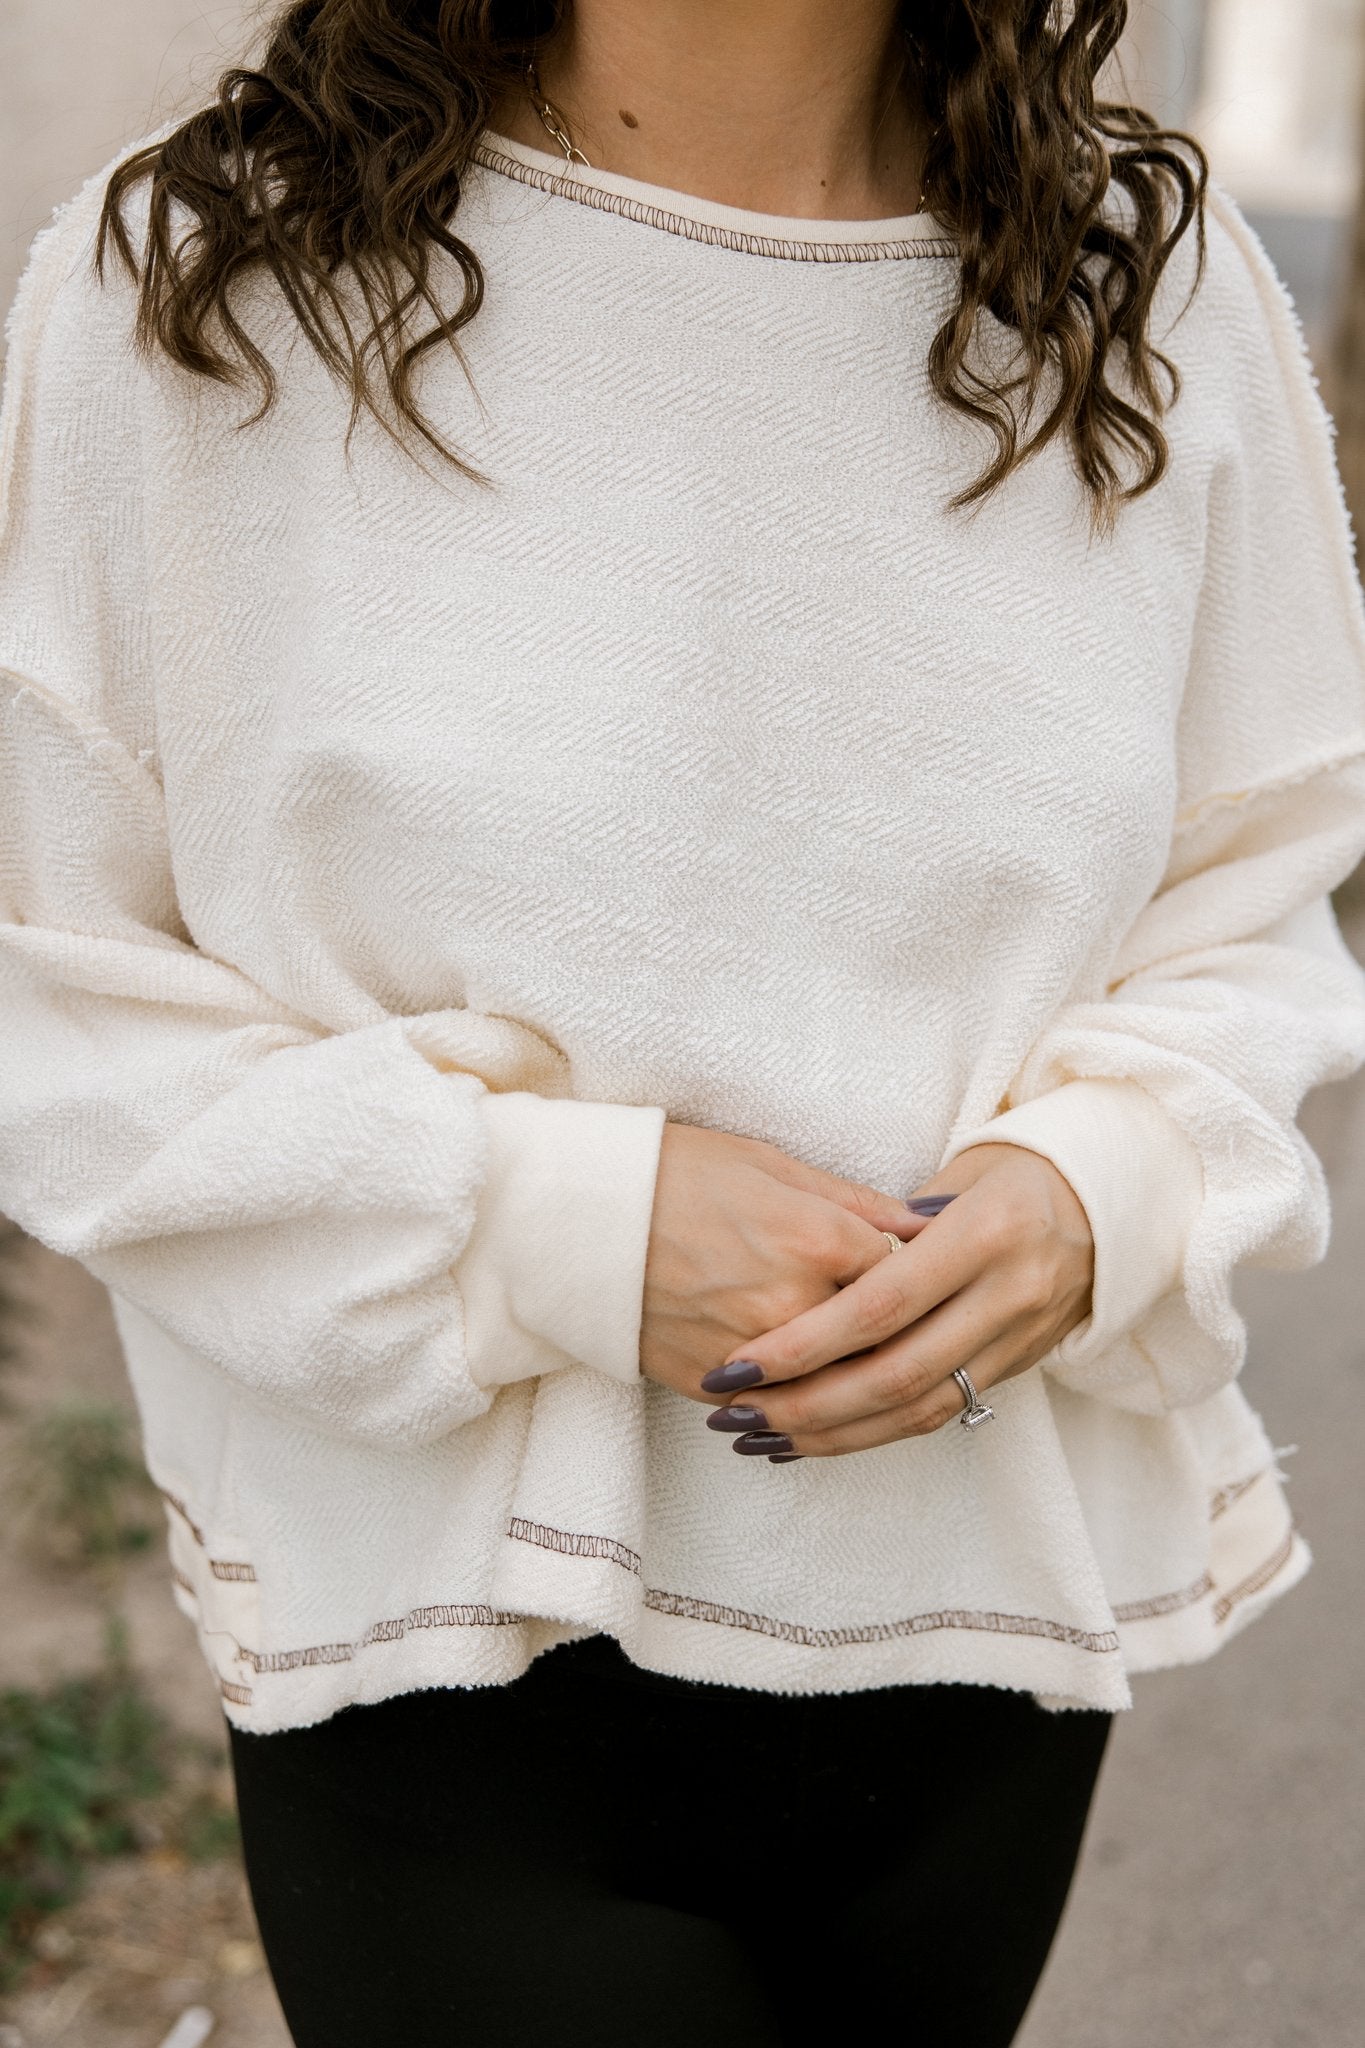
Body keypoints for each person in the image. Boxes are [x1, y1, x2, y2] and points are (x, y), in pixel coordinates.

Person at [3, 0, 1364, 2041]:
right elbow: (57, 997)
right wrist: (564, 1230)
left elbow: (1255, 885)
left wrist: (1105, 1177)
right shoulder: (203, 285)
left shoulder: (1150, 304)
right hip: (443, 1656)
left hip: (967, 1647)